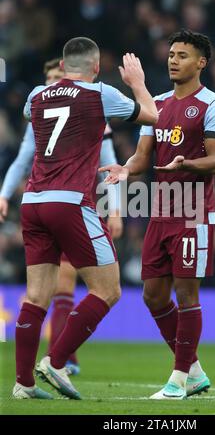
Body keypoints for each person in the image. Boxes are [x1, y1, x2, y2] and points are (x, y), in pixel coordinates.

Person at [13, 36, 158, 400]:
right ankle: (57, 360)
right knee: (108, 290)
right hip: (70, 202)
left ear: (62, 66)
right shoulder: (99, 93)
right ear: (95, 68)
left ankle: (23, 384)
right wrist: (138, 84)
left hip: (32, 202)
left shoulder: (35, 95)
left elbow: (33, 117)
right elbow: (154, 117)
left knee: (35, 296)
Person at [100, 29, 215, 400]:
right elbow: (143, 158)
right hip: (160, 210)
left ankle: (177, 380)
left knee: (187, 294)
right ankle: (194, 370)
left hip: (193, 211)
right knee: (153, 296)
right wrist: (126, 170)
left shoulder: (213, 105)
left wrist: (185, 162)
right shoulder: (155, 105)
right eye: (172, 54)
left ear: (201, 62)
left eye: (183, 55)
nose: (174, 60)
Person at [0, 58, 123, 377]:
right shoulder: (42, 117)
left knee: (58, 287)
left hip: (49, 205)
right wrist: (3, 193)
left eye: (59, 77)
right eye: (51, 78)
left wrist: (116, 208)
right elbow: (23, 158)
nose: (56, 84)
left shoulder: (80, 111)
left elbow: (110, 161)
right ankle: (58, 360)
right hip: (67, 205)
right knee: (49, 291)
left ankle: (56, 362)